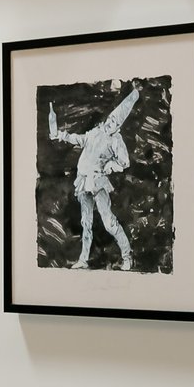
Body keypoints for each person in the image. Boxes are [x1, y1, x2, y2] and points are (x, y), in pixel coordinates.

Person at [46, 87, 141, 270]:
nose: (109, 122)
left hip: (98, 183)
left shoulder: (117, 141)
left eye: (114, 121)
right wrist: (61, 135)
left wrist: (109, 166)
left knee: (109, 223)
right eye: (110, 118)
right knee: (86, 222)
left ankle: (127, 256)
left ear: (118, 127)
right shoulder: (96, 132)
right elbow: (80, 139)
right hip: (83, 181)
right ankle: (83, 259)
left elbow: (124, 162)